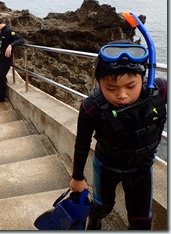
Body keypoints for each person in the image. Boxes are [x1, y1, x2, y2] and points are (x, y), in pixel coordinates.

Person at [69, 40, 167, 230]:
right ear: (99, 83)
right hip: (107, 166)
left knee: (142, 222)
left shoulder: (159, 90)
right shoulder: (92, 107)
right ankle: (94, 220)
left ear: (143, 77)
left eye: (131, 86)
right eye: (111, 89)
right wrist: (77, 177)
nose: (122, 95)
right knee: (103, 206)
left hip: (142, 167)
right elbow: (82, 144)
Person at [0, 16, 24, 112]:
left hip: (7, 60)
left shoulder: (8, 31)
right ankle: (1, 96)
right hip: (1, 58)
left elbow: (21, 39)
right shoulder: (1, 31)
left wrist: (11, 45)